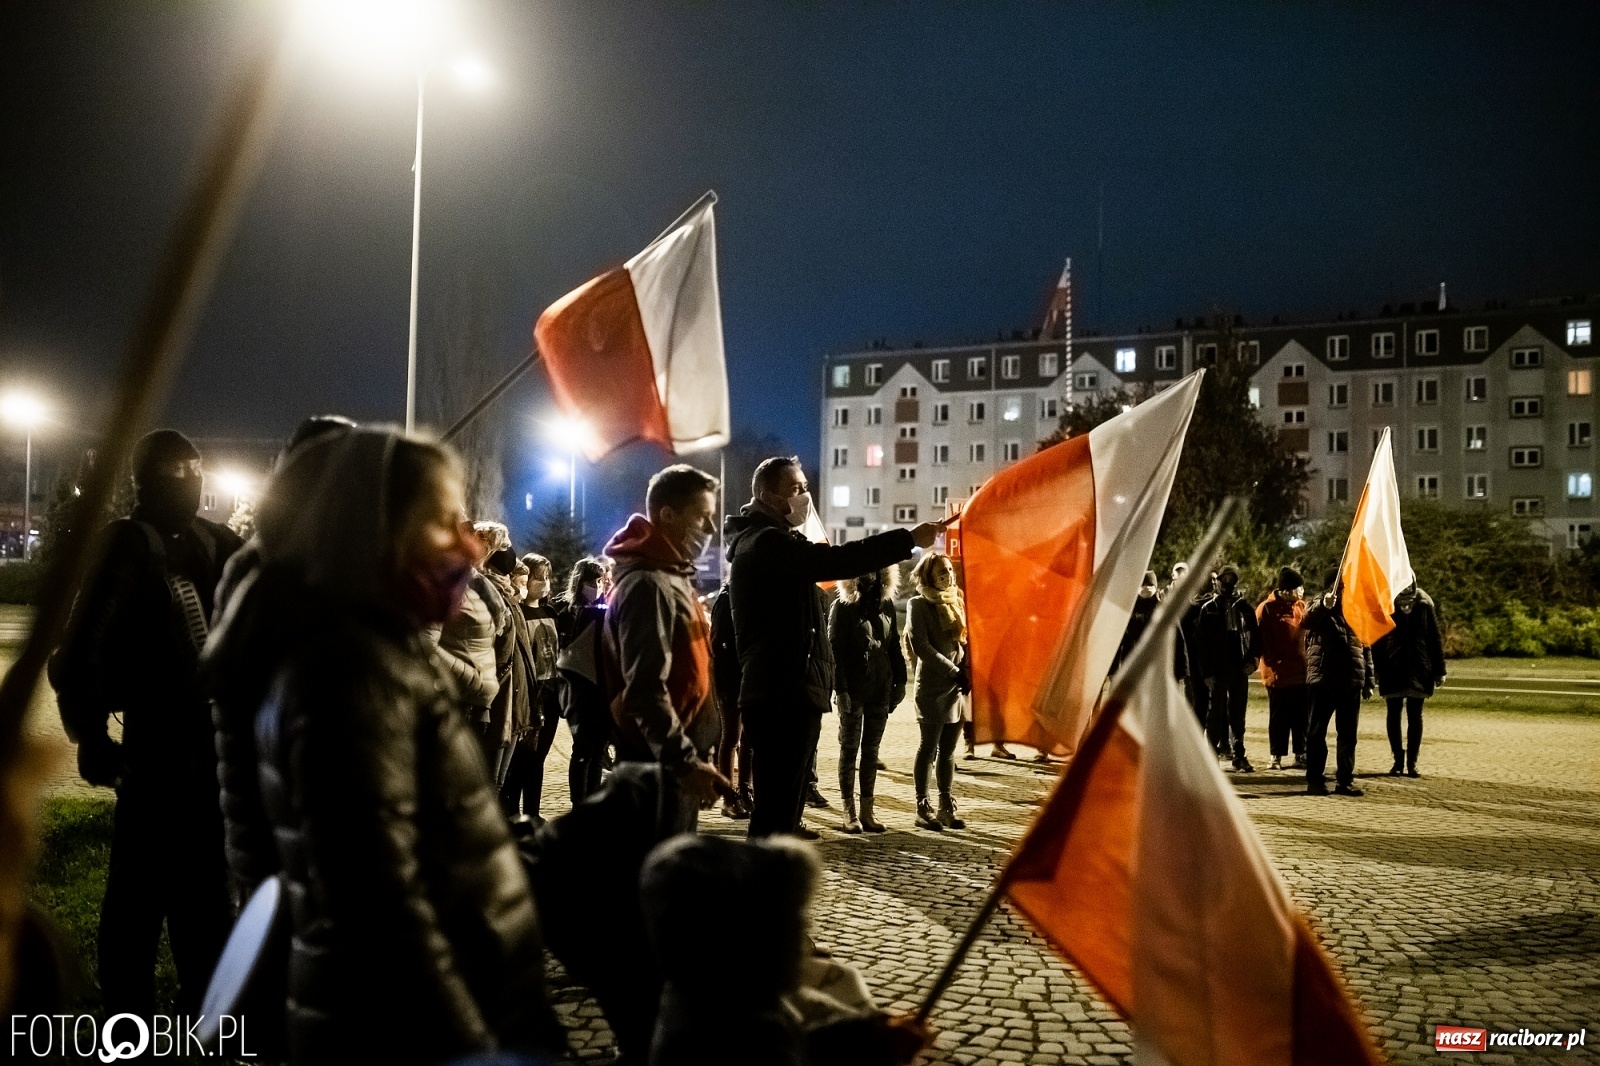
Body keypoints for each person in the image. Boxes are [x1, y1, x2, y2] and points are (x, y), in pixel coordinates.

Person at [201, 428, 565, 1061]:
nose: (466, 546)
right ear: (374, 530)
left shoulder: (375, 647)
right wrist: (472, 1050)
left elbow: (428, 835)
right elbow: (379, 908)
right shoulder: (351, 674)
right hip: (398, 1032)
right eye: (442, 520)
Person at [52, 429, 242, 1019]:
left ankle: (207, 1013)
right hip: (156, 748)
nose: (188, 480)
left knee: (207, 895)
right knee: (138, 895)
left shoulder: (219, 541)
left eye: (194, 468)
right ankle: (126, 1016)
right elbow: (82, 650)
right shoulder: (129, 544)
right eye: (175, 470)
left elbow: (272, 592)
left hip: (213, 747)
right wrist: (94, 739)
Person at [724, 456, 939, 839]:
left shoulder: (771, 541)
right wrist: (906, 540)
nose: (805, 496)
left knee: (783, 809)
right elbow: (840, 560)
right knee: (776, 811)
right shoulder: (767, 543)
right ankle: (759, 888)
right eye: (796, 489)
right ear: (766, 494)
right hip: (782, 690)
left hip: (788, 687)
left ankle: (774, 884)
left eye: (806, 487)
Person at [639, 834, 933, 1066]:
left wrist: (872, 1035)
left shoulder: (717, 995)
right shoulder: (737, 1030)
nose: (803, 939)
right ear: (749, 938)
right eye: (790, 923)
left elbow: (798, 1044)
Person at [601, 464, 730, 834]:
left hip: (670, 761)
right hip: (658, 766)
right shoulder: (649, 585)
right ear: (668, 515)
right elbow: (644, 688)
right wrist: (684, 761)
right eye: (702, 517)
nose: (710, 530)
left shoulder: (671, 576)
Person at [828, 566, 906, 834]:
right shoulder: (843, 606)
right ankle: (848, 812)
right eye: (866, 572)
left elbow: (893, 644)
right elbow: (835, 652)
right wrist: (841, 690)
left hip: (880, 688)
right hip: (854, 689)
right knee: (849, 750)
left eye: (876, 571)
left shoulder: (885, 604)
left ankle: (867, 811)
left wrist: (900, 681)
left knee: (871, 752)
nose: (871, 577)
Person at [905, 551, 969, 832]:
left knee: (949, 751)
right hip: (933, 685)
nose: (948, 575)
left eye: (950, 570)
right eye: (941, 571)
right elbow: (922, 646)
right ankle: (923, 805)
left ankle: (945, 804)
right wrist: (953, 671)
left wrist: (966, 669)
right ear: (928, 575)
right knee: (928, 747)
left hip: (957, 686)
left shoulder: (958, 600)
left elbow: (965, 640)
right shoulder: (918, 604)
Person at [1302, 574, 1375, 797]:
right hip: (1324, 680)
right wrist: (1325, 605)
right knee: (1316, 733)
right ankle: (1315, 780)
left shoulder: (1357, 610)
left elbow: (1365, 645)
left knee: (1348, 735)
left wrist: (1369, 679)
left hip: (1351, 680)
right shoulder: (1320, 605)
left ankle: (1345, 779)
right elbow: (1307, 620)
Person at [502, 552, 563, 819]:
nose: (543, 583)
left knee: (538, 759)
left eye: (546, 578)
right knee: (520, 759)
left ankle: (533, 813)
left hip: (550, 692)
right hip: (527, 692)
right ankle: (513, 812)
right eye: (537, 577)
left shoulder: (550, 611)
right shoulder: (518, 612)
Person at [435, 531, 504, 746]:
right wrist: (475, 680)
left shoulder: (477, 585)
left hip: (475, 703)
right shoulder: (441, 586)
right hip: (460, 698)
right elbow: (427, 644)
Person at [1372, 583, 1446, 777]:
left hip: (1419, 668)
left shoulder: (1424, 604)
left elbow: (1434, 638)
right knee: (1393, 714)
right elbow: (1378, 640)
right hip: (1392, 667)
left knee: (1415, 716)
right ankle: (1398, 760)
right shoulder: (1386, 603)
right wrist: (1377, 669)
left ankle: (1412, 762)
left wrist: (1439, 670)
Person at [557, 556, 613, 805]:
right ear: (580, 582)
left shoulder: (606, 612)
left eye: (600, 581)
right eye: (592, 581)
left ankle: (592, 802)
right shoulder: (566, 612)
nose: (597, 587)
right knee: (582, 749)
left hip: (602, 689)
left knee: (598, 751)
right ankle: (579, 804)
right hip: (579, 690)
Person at [1196, 564, 1261, 772]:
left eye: (1231, 579)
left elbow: (1257, 639)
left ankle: (1238, 754)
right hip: (1217, 669)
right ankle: (1211, 754)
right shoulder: (1209, 609)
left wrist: (1254, 661)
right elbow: (1201, 644)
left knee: (1237, 713)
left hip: (1239, 666)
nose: (1227, 583)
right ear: (1218, 581)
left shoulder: (1245, 609)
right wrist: (1206, 673)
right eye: (1224, 579)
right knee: (1215, 713)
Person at [1257, 566, 1310, 770]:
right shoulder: (1267, 609)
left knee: (1301, 717)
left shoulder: (1301, 606)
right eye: (1299, 588)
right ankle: (1276, 755)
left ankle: (1301, 753)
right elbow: (1261, 638)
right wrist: (1273, 661)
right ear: (1286, 590)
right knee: (1279, 717)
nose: (1302, 592)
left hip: (1301, 673)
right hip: (1278, 675)